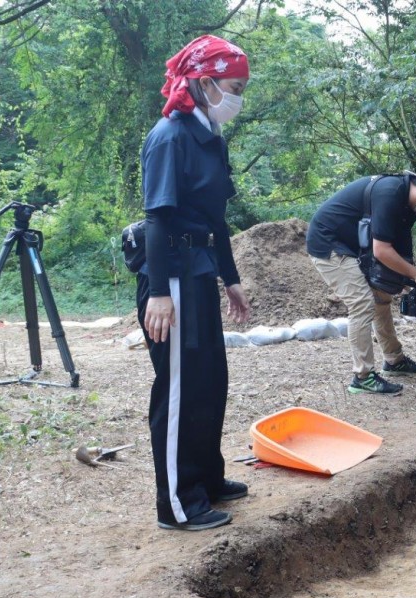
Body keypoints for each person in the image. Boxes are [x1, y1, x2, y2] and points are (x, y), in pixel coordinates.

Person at [139, 35, 253, 531]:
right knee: (181, 390)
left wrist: (231, 281)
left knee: (211, 383)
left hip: (202, 272)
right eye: (233, 87)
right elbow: (158, 220)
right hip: (174, 278)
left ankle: (206, 476)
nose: (238, 98)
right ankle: (178, 503)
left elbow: (215, 219)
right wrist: (160, 292)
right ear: (204, 83)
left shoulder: (210, 136)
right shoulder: (170, 136)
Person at [306, 165, 416, 394]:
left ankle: (395, 361)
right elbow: (382, 251)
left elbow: (401, 256)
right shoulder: (389, 194)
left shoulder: (408, 209)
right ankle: (362, 377)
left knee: (381, 297)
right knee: (362, 303)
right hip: (328, 244)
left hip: (353, 247)